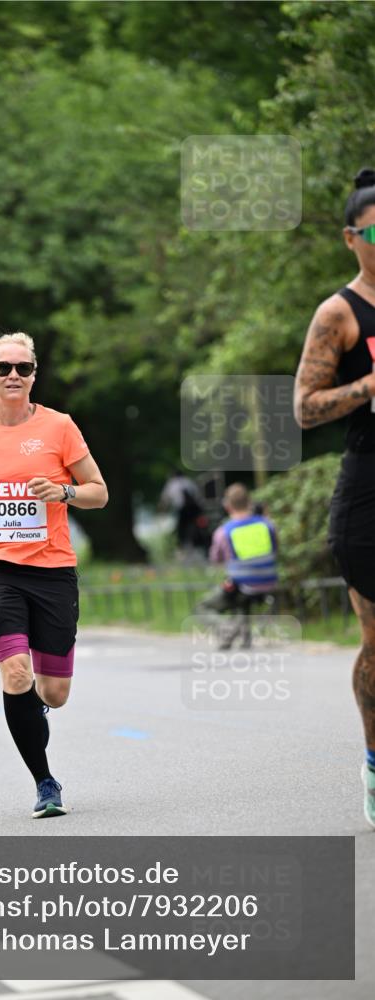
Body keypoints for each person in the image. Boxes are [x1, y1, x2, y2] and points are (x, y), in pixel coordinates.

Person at [0, 332, 108, 817]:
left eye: (23, 368)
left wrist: (63, 493)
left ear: (34, 375)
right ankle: (45, 782)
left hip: (53, 570)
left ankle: (35, 705)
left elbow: (99, 491)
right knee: (15, 674)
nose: (13, 376)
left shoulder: (59, 427)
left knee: (54, 693)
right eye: (4, 368)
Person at [294, 167, 375, 829]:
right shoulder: (339, 314)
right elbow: (303, 408)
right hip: (368, 491)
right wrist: (369, 385)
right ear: (352, 237)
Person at [196, 483, 277, 641]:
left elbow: (215, 559)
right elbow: (275, 549)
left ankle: (226, 629)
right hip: (269, 581)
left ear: (227, 506)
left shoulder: (224, 532)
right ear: (249, 502)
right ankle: (241, 633)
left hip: (241, 585)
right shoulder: (267, 525)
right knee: (239, 597)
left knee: (202, 606)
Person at [159, 468, 205, 551]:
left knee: (181, 528)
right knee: (195, 526)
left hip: (182, 509)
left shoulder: (172, 483)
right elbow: (198, 495)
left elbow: (165, 500)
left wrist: (162, 512)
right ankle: (196, 544)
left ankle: (182, 545)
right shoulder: (189, 481)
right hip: (195, 508)